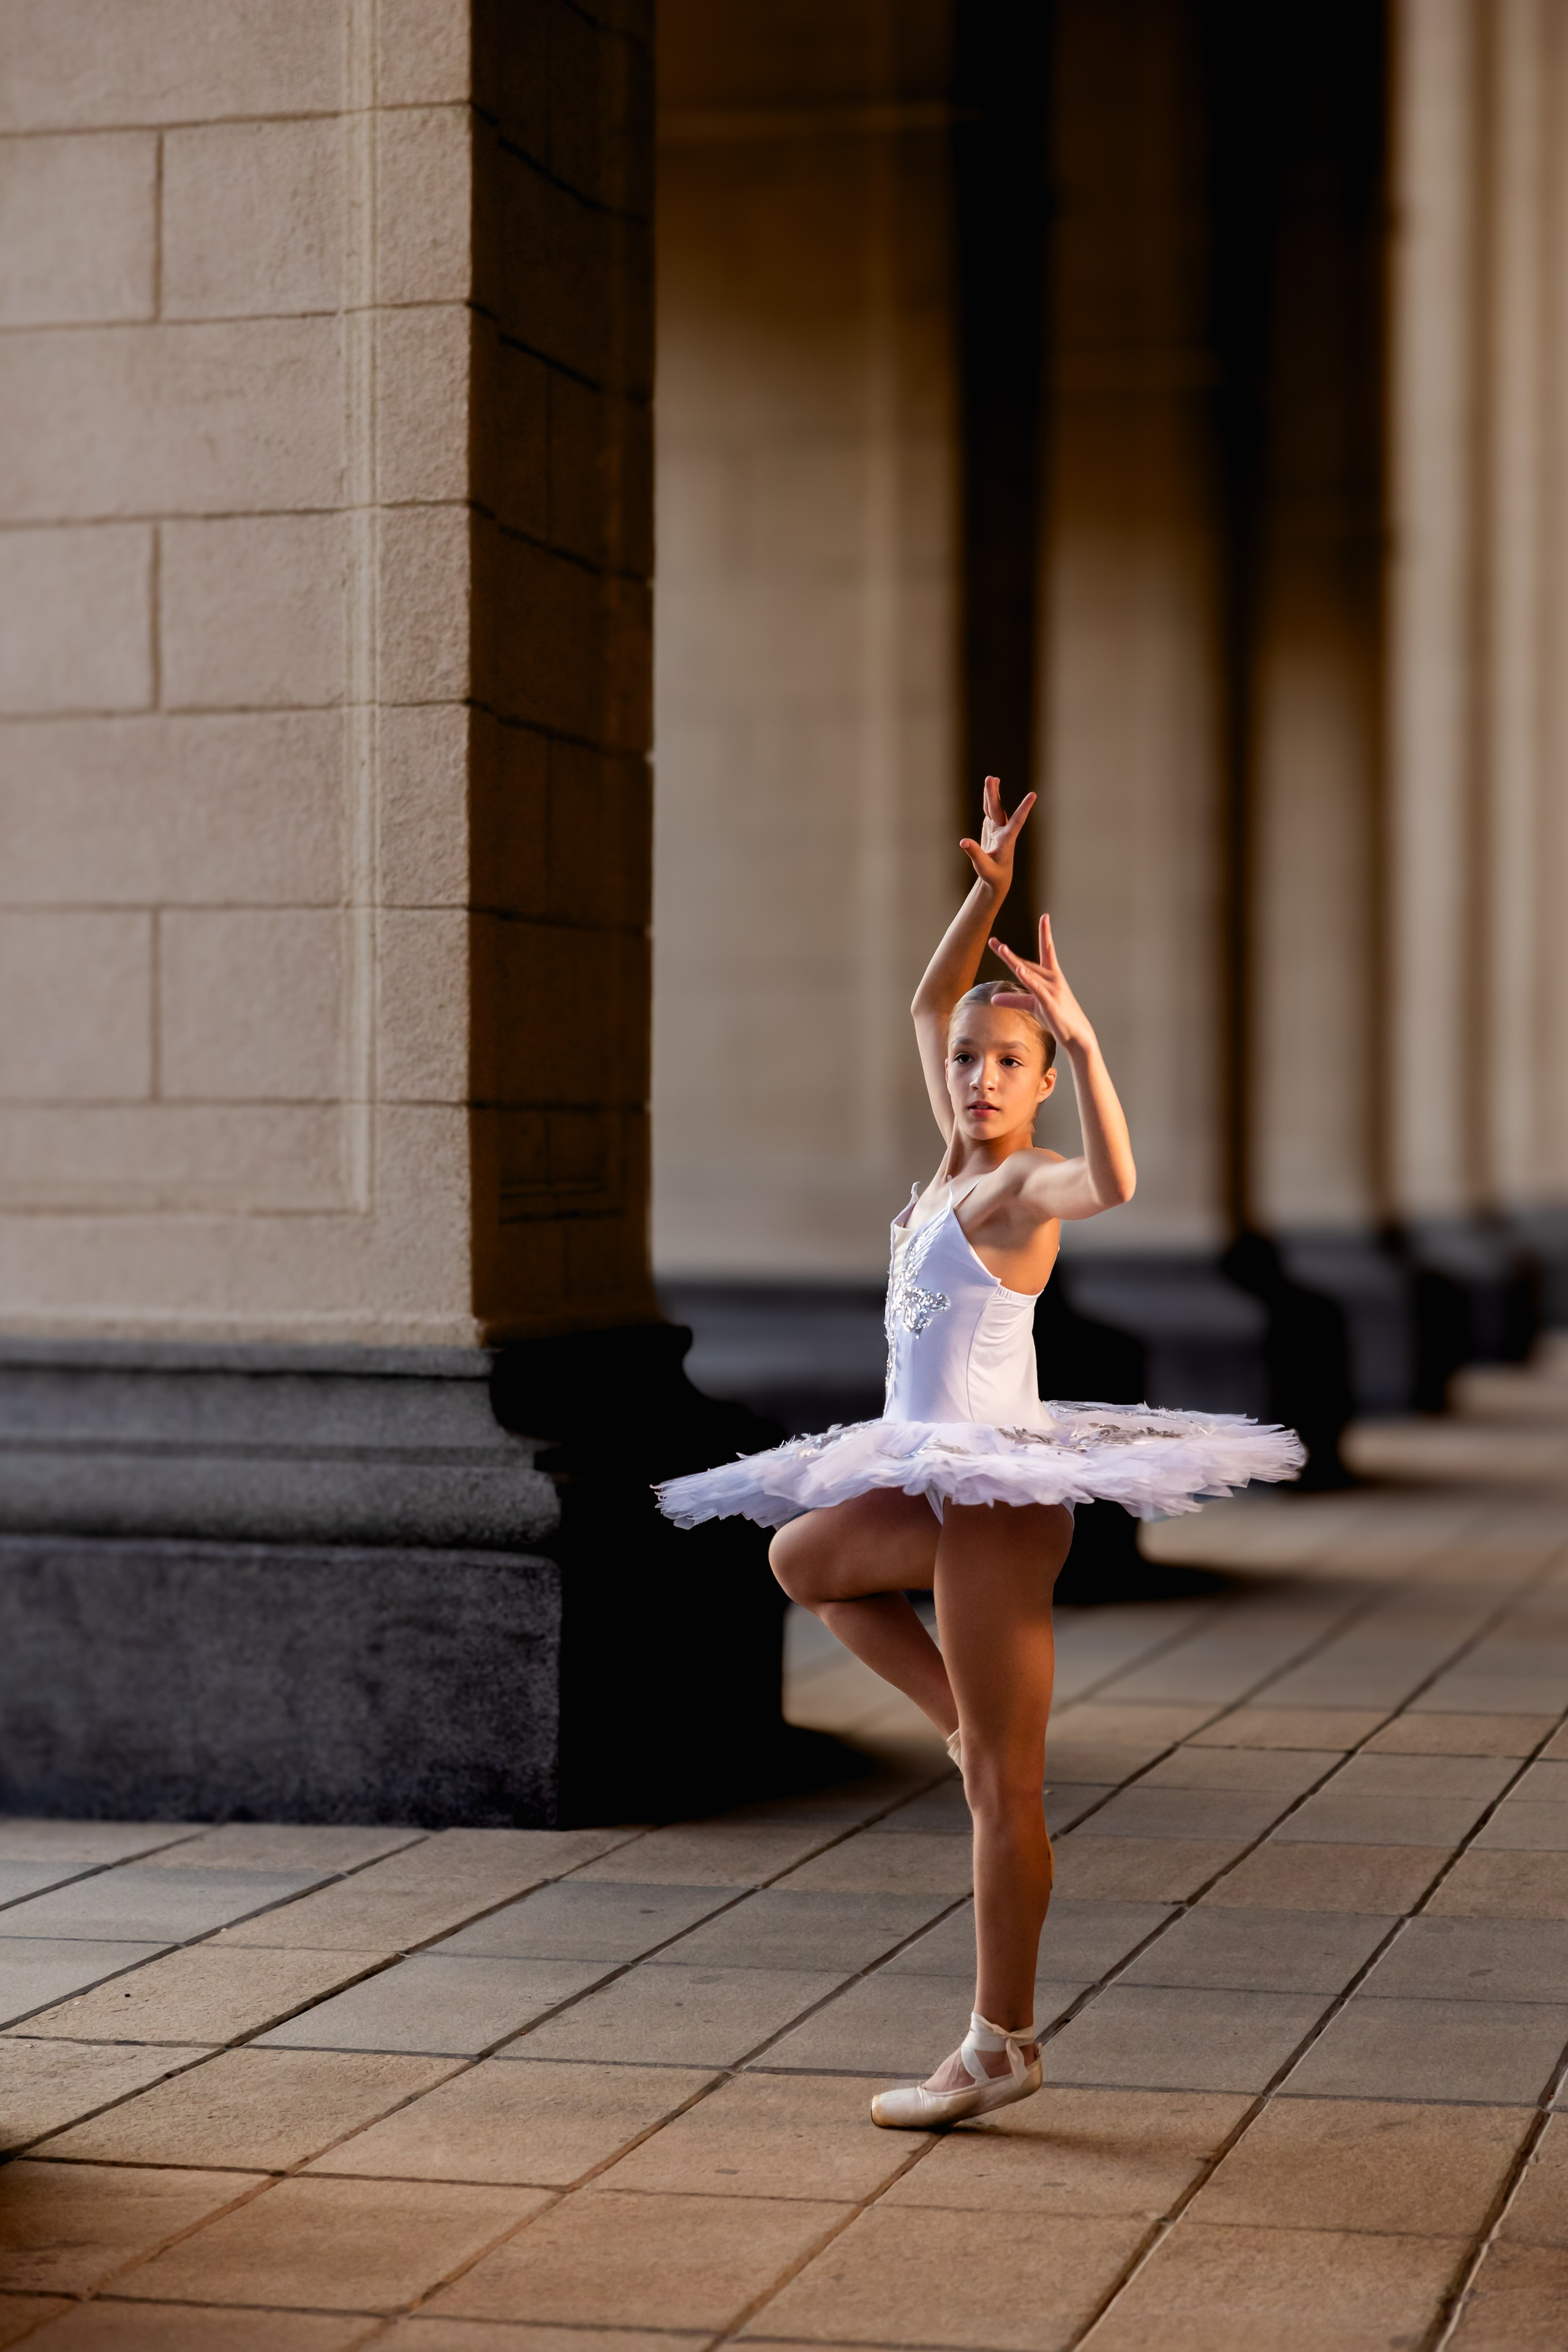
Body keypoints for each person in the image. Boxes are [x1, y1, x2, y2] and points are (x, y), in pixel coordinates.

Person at [657, 778, 1303, 2128]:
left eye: (1011, 1062)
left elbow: (1114, 1183)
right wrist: (986, 895)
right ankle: (960, 1725)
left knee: (1007, 1795)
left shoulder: (1013, 1189)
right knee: (804, 1559)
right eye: (969, 1058)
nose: (980, 1076)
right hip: (925, 1473)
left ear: (1041, 1082)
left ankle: (999, 2041)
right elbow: (924, 1002)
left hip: (999, 1497)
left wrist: (1087, 1038)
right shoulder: (947, 1166)